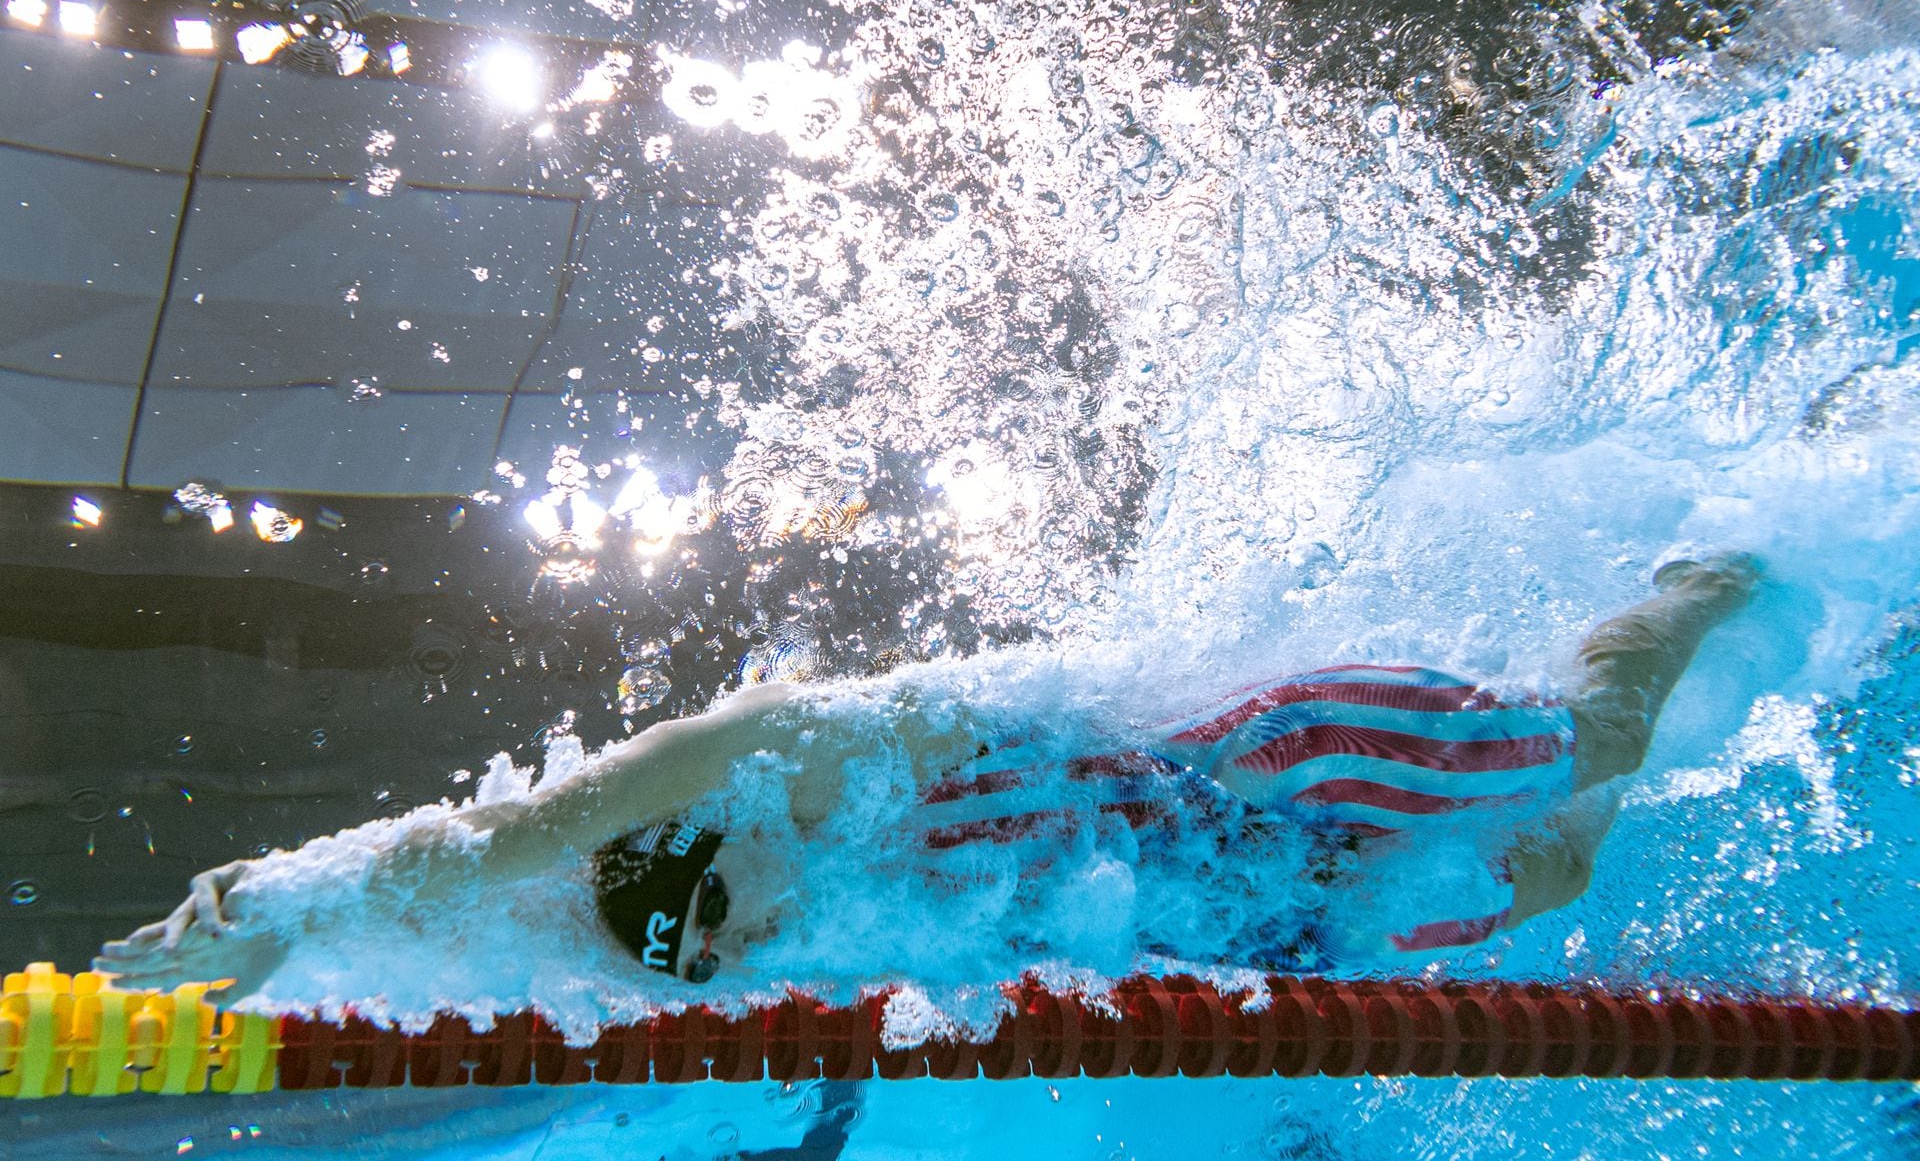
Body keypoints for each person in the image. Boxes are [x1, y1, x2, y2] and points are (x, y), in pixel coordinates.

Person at [93, 555, 1760, 994]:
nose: (747, 956)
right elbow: (490, 916)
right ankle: (1637, 755)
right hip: (1232, 913)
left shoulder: (782, 761)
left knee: (1586, 740)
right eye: (722, 955)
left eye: (727, 922)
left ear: (709, 839)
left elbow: (486, 839)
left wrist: (265, 898)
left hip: (1277, 768)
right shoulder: (708, 920)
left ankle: (1702, 580)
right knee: (1557, 873)